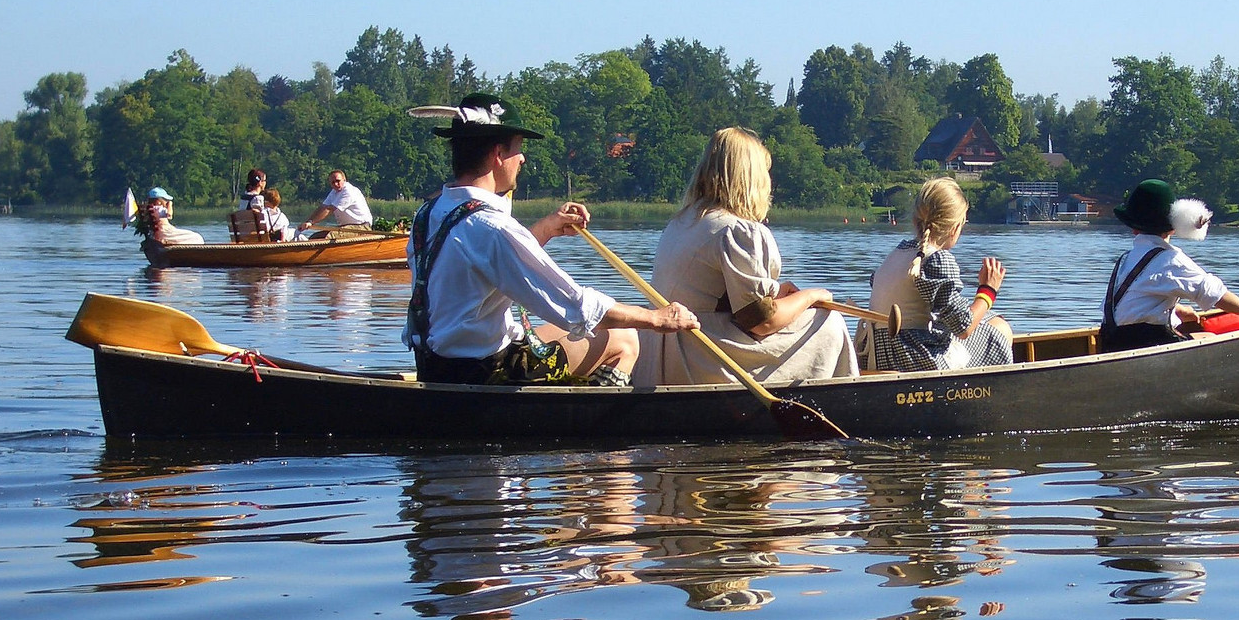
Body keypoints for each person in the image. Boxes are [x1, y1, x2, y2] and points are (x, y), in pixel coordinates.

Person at [403, 92, 698, 387]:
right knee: (622, 338)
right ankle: (589, 424)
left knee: (544, 334)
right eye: (518, 149)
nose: (522, 158)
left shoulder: (429, 213)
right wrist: (658, 319)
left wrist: (546, 229)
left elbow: (490, 264)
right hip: (486, 373)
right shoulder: (492, 227)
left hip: (435, 366)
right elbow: (577, 309)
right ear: (497, 154)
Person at [632, 127, 858, 387]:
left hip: (663, 355)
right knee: (828, 322)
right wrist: (811, 296)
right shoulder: (735, 230)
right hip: (703, 357)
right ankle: (843, 400)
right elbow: (761, 322)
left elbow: (718, 298)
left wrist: (780, 294)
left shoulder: (682, 222)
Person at [1101, 179, 1239, 351]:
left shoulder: (1126, 259)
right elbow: (1216, 294)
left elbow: (1130, 305)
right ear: (1172, 227)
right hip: (1145, 346)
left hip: (1111, 344)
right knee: (1207, 336)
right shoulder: (1169, 259)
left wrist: (1178, 310)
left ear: (1134, 228)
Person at [861, 176, 1013, 372]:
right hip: (916, 360)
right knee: (1000, 327)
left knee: (988, 318)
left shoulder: (896, 254)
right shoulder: (937, 259)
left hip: (880, 357)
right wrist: (987, 291)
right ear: (955, 227)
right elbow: (964, 328)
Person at [302, 169, 373, 231]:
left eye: (338, 181)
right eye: (333, 182)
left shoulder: (349, 191)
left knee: (329, 237)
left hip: (362, 227)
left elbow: (330, 209)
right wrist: (307, 222)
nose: (336, 184)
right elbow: (323, 207)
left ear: (344, 180)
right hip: (346, 227)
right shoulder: (334, 192)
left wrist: (311, 223)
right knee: (316, 236)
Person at [139, 187, 205, 245]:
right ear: (159, 201)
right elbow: (169, 215)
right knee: (197, 237)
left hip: (159, 233)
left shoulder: (150, 210)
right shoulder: (159, 209)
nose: (167, 202)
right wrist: (170, 205)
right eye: (165, 200)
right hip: (166, 232)